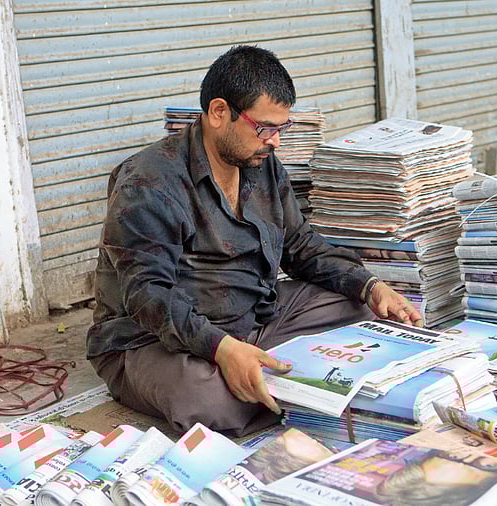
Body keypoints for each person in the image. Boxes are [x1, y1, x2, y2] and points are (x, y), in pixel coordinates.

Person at [86, 45, 422, 437]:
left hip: (255, 316)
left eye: (281, 128)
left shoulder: (261, 164)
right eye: (264, 128)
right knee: (207, 401)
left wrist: (369, 285)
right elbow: (148, 295)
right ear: (219, 112)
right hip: (156, 339)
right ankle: (278, 389)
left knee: (362, 309)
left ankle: (264, 379)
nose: (274, 141)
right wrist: (222, 348)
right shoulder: (148, 183)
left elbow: (300, 246)